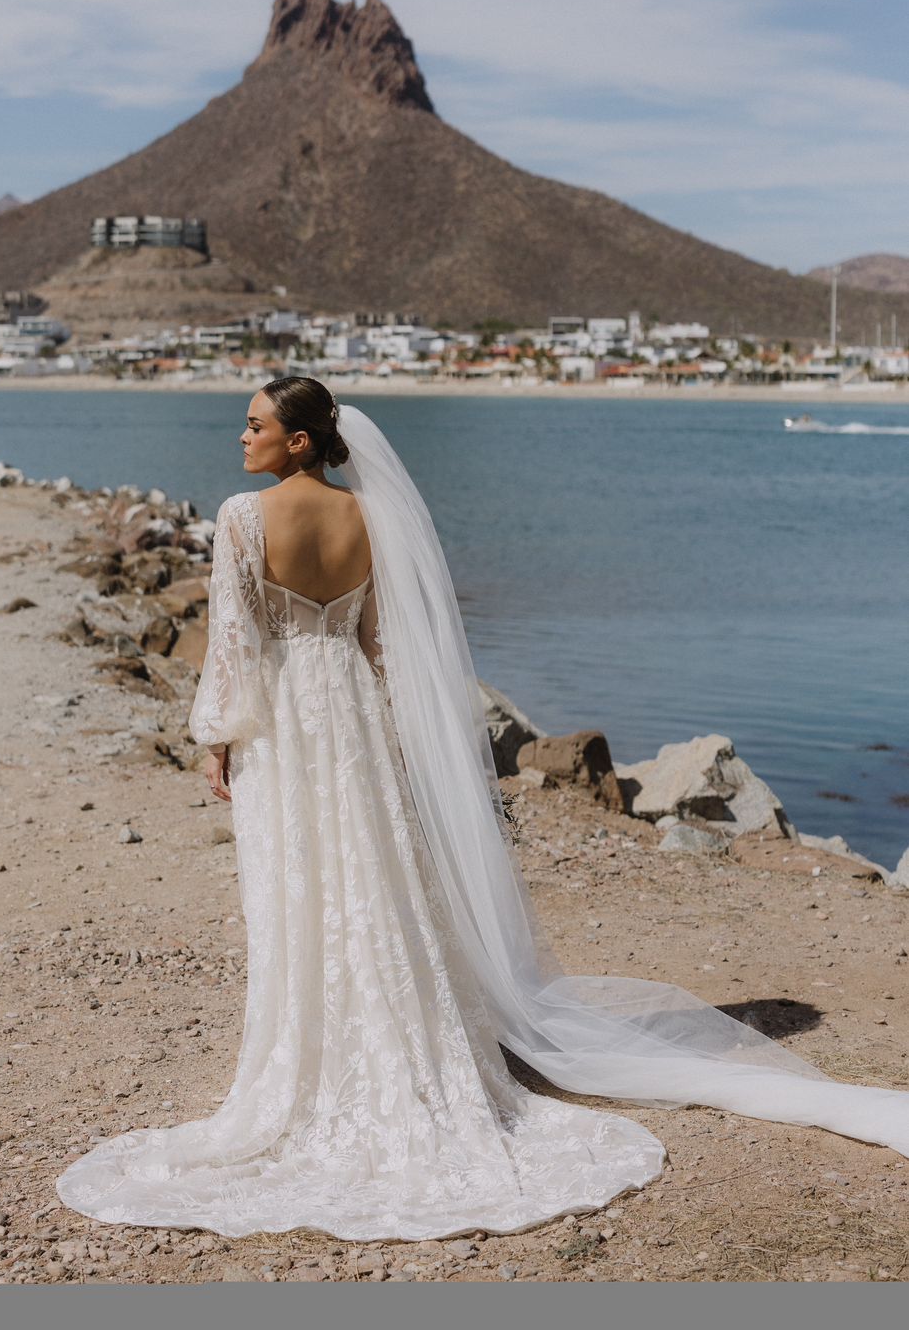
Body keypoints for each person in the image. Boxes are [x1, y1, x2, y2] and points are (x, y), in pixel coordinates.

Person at [56, 377, 909, 1240]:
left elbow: (235, 643)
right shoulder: (366, 520)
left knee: (297, 879)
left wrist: (217, 739)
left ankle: (310, 1058)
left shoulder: (243, 517)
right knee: (374, 874)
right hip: (349, 713)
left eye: (255, 425)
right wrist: (383, 736)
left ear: (300, 441)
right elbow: (377, 647)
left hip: (283, 721)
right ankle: (406, 1044)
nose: (241, 438)